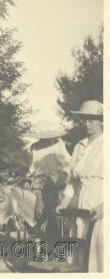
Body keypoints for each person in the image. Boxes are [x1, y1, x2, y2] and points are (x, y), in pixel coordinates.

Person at [67, 100, 103, 272]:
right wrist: (64, 203)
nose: (87, 124)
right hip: (81, 201)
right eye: (84, 119)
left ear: (102, 120)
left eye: (92, 119)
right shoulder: (79, 146)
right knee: (79, 250)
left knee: (97, 252)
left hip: (100, 201)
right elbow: (72, 181)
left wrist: (104, 207)